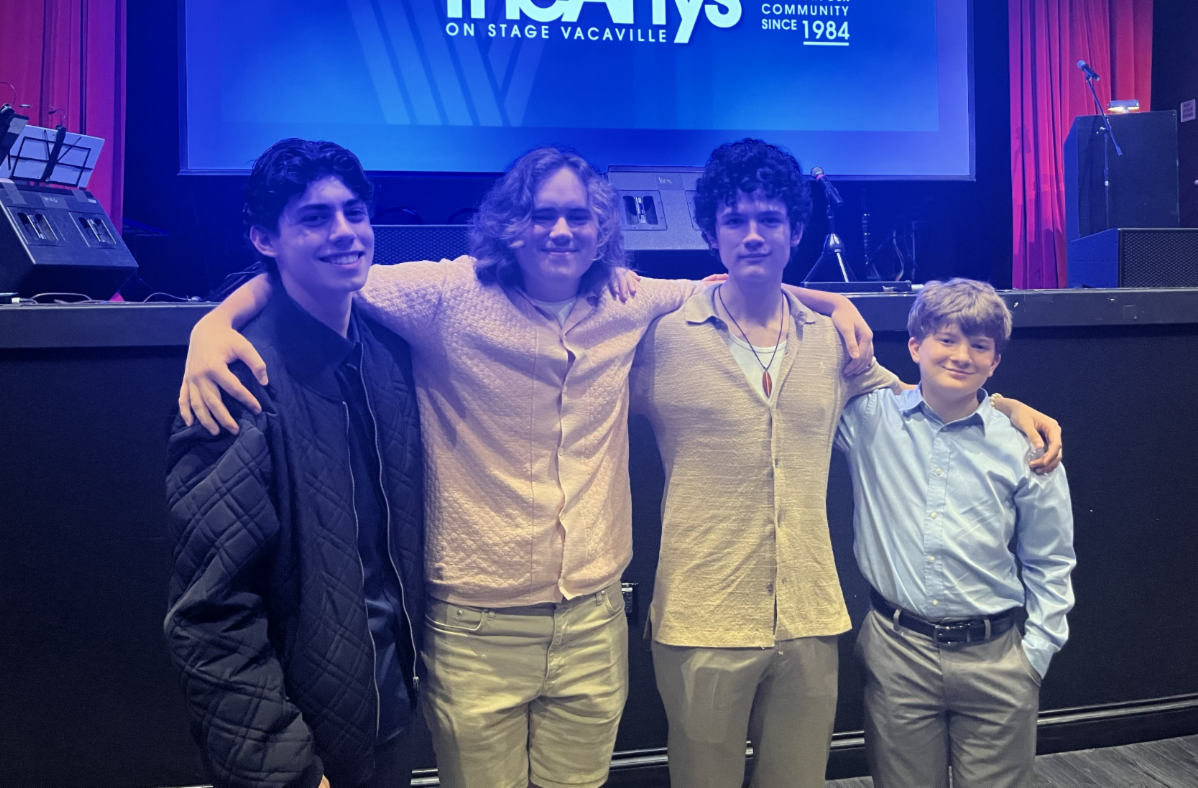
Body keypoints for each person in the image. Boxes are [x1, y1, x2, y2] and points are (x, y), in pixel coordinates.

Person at [175, 146, 881, 788]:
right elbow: (326, 274)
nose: (561, 231)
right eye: (543, 215)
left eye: (579, 216)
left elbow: (730, 283)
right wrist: (214, 323)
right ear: (510, 223)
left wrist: (831, 301)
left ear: (602, 230)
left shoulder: (628, 300)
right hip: (476, 631)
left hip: (593, 624)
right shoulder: (445, 295)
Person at [629, 141, 1059, 788]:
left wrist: (1003, 405)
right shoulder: (660, 336)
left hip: (809, 617)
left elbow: (921, 401)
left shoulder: (833, 342)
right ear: (711, 232)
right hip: (700, 614)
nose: (753, 234)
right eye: (735, 219)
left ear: (795, 230)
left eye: (770, 219)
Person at [165, 140, 425, 788]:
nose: (345, 232)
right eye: (314, 217)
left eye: (354, 212)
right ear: (264, 238)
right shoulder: (234, 382)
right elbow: (210, 617)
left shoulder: (389, 353)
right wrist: (288, 769)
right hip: (301, 750)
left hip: (390, 715)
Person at [835, 279, 1076, 788]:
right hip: (896, 652)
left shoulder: (1027, 446)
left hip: (998, 658)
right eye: (946, 339)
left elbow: (1050, 559)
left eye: (979, 346)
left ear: (995, 361)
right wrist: (829, 299)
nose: (961, 356)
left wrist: (1035, 655)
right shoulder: (868, 419)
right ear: (915, 346)